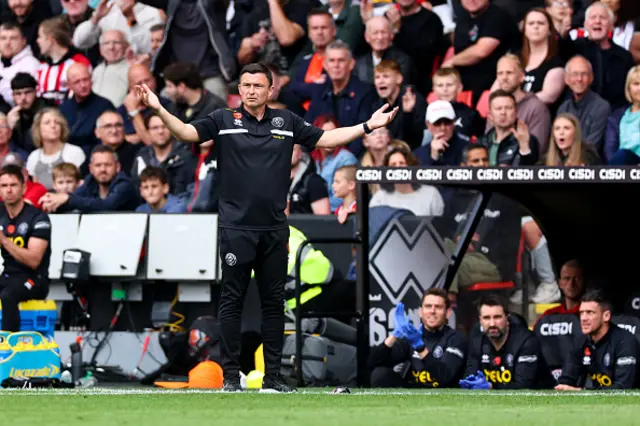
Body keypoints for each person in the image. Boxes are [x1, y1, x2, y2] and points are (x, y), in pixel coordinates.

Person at [134, 62, 398, 393]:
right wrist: (158, 107)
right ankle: (231, 377)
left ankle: (273, 378)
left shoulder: (286, 122)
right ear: (239, 90)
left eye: (258, 86)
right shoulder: (223, 119)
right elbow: (187, 132)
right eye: (245, 86)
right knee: (232, 302)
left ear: (270, 90)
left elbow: (327, 137)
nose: (251, 91)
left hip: (274, 229)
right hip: (235, 228)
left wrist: (368, 126)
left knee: (274, 305)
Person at [368, 288, 467, 388]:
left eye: (438, 307)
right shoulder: (413, 337)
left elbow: (443, 377)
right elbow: (372, 362)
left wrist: (421, 348)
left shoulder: (456, 339)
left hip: (444, 397)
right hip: (414, 396)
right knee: (380, 374)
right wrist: (394, 335)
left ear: (448, 313)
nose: (432, 311)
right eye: (428, 306)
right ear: (420, 312)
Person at [462, 295, 552, 389]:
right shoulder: (477, 340)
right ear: (480, 320)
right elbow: (470, 376)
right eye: (486, 318)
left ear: (507, 319)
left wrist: (491, 386)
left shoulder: (526, 341)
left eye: (497, 317)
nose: (492, 324)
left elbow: (523, 385)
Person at [0, 164, 51, 331]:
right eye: (4, 186)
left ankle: (9, 347)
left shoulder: (38, 217)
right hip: (8, 275)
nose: (9, 190)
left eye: (13, 185)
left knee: (8, 296)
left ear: (23, 188)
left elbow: (34, 260)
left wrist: (4, 241)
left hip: (34, 278)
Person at [556, 290, 640, 390]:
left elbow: (622, 388)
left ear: (606, 316)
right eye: (581, 313)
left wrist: (581, 391)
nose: (583, 318)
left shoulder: (626, 341)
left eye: (590, 313)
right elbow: (565, 382)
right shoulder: (580, 341)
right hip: (598, 400)